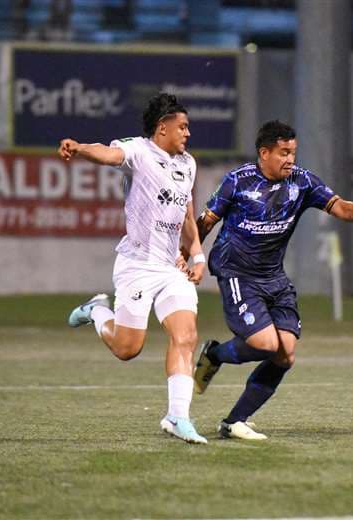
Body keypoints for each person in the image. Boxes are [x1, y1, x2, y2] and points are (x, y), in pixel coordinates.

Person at [193, 120, 353, 440]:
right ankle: (214, 356)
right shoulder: (238, 181)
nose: (290, 159)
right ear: (264, 153)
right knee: (265, 344)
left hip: (274, 277)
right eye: (284, 153)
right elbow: (205, 222)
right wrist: (189, 256)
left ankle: (234, 421)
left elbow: (339, 206)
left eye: (293, 152)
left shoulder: (303, 182)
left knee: (285, 353)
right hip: (237, 274)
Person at [58, 93, 208, 444]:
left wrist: (198, 256)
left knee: (186, 336)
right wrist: (79, 149)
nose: (187, 133)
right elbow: (108, 154)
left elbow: (187, 215)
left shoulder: (188, 164)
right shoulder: (139, 151)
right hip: (137, 266)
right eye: (182, 127)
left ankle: (177, 417)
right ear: (162, 128)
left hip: (171, 268)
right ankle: (97, 310)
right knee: (127, 348)